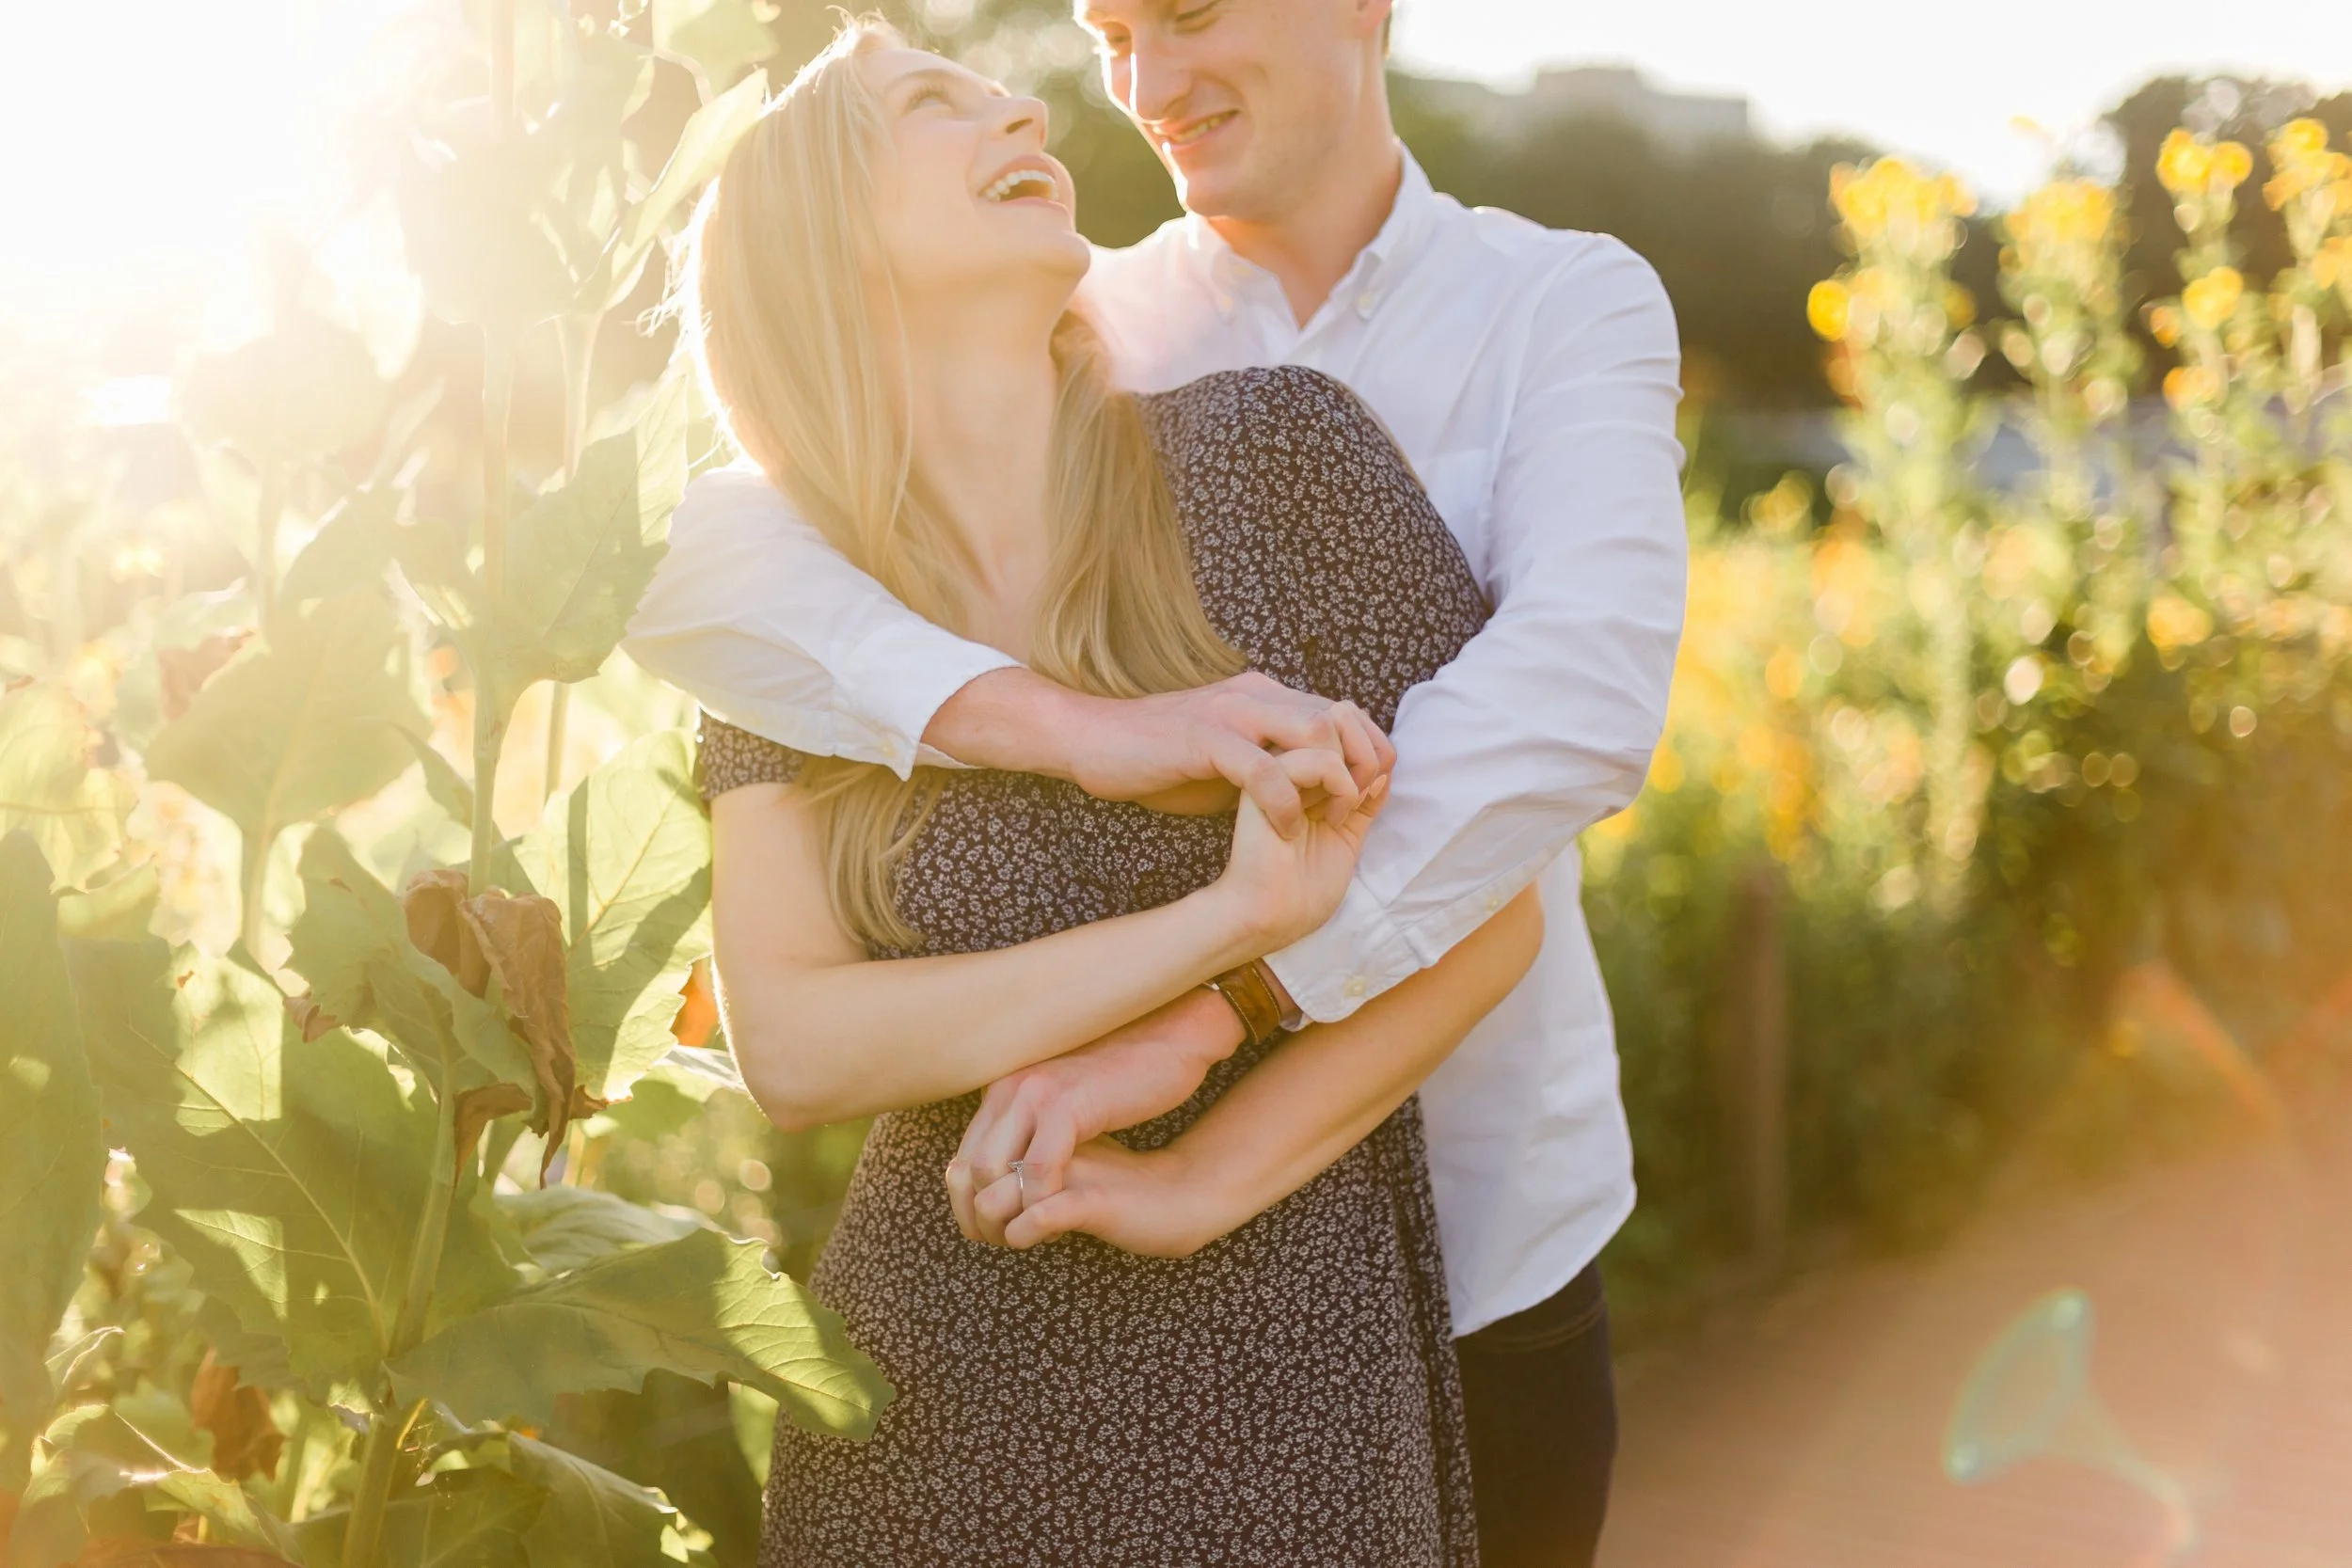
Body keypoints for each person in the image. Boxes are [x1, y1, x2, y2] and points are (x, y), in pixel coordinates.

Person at [628, 1, 1689, 1560]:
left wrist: (1216, 1022)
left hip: (1467, 1252)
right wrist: (1063, 722)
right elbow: (680, 555)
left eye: (1184, 13)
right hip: (959, 1359)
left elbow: (1574, 710)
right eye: (1110, 31)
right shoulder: (1060, 333)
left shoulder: (1537, 315)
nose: (1122, 91)